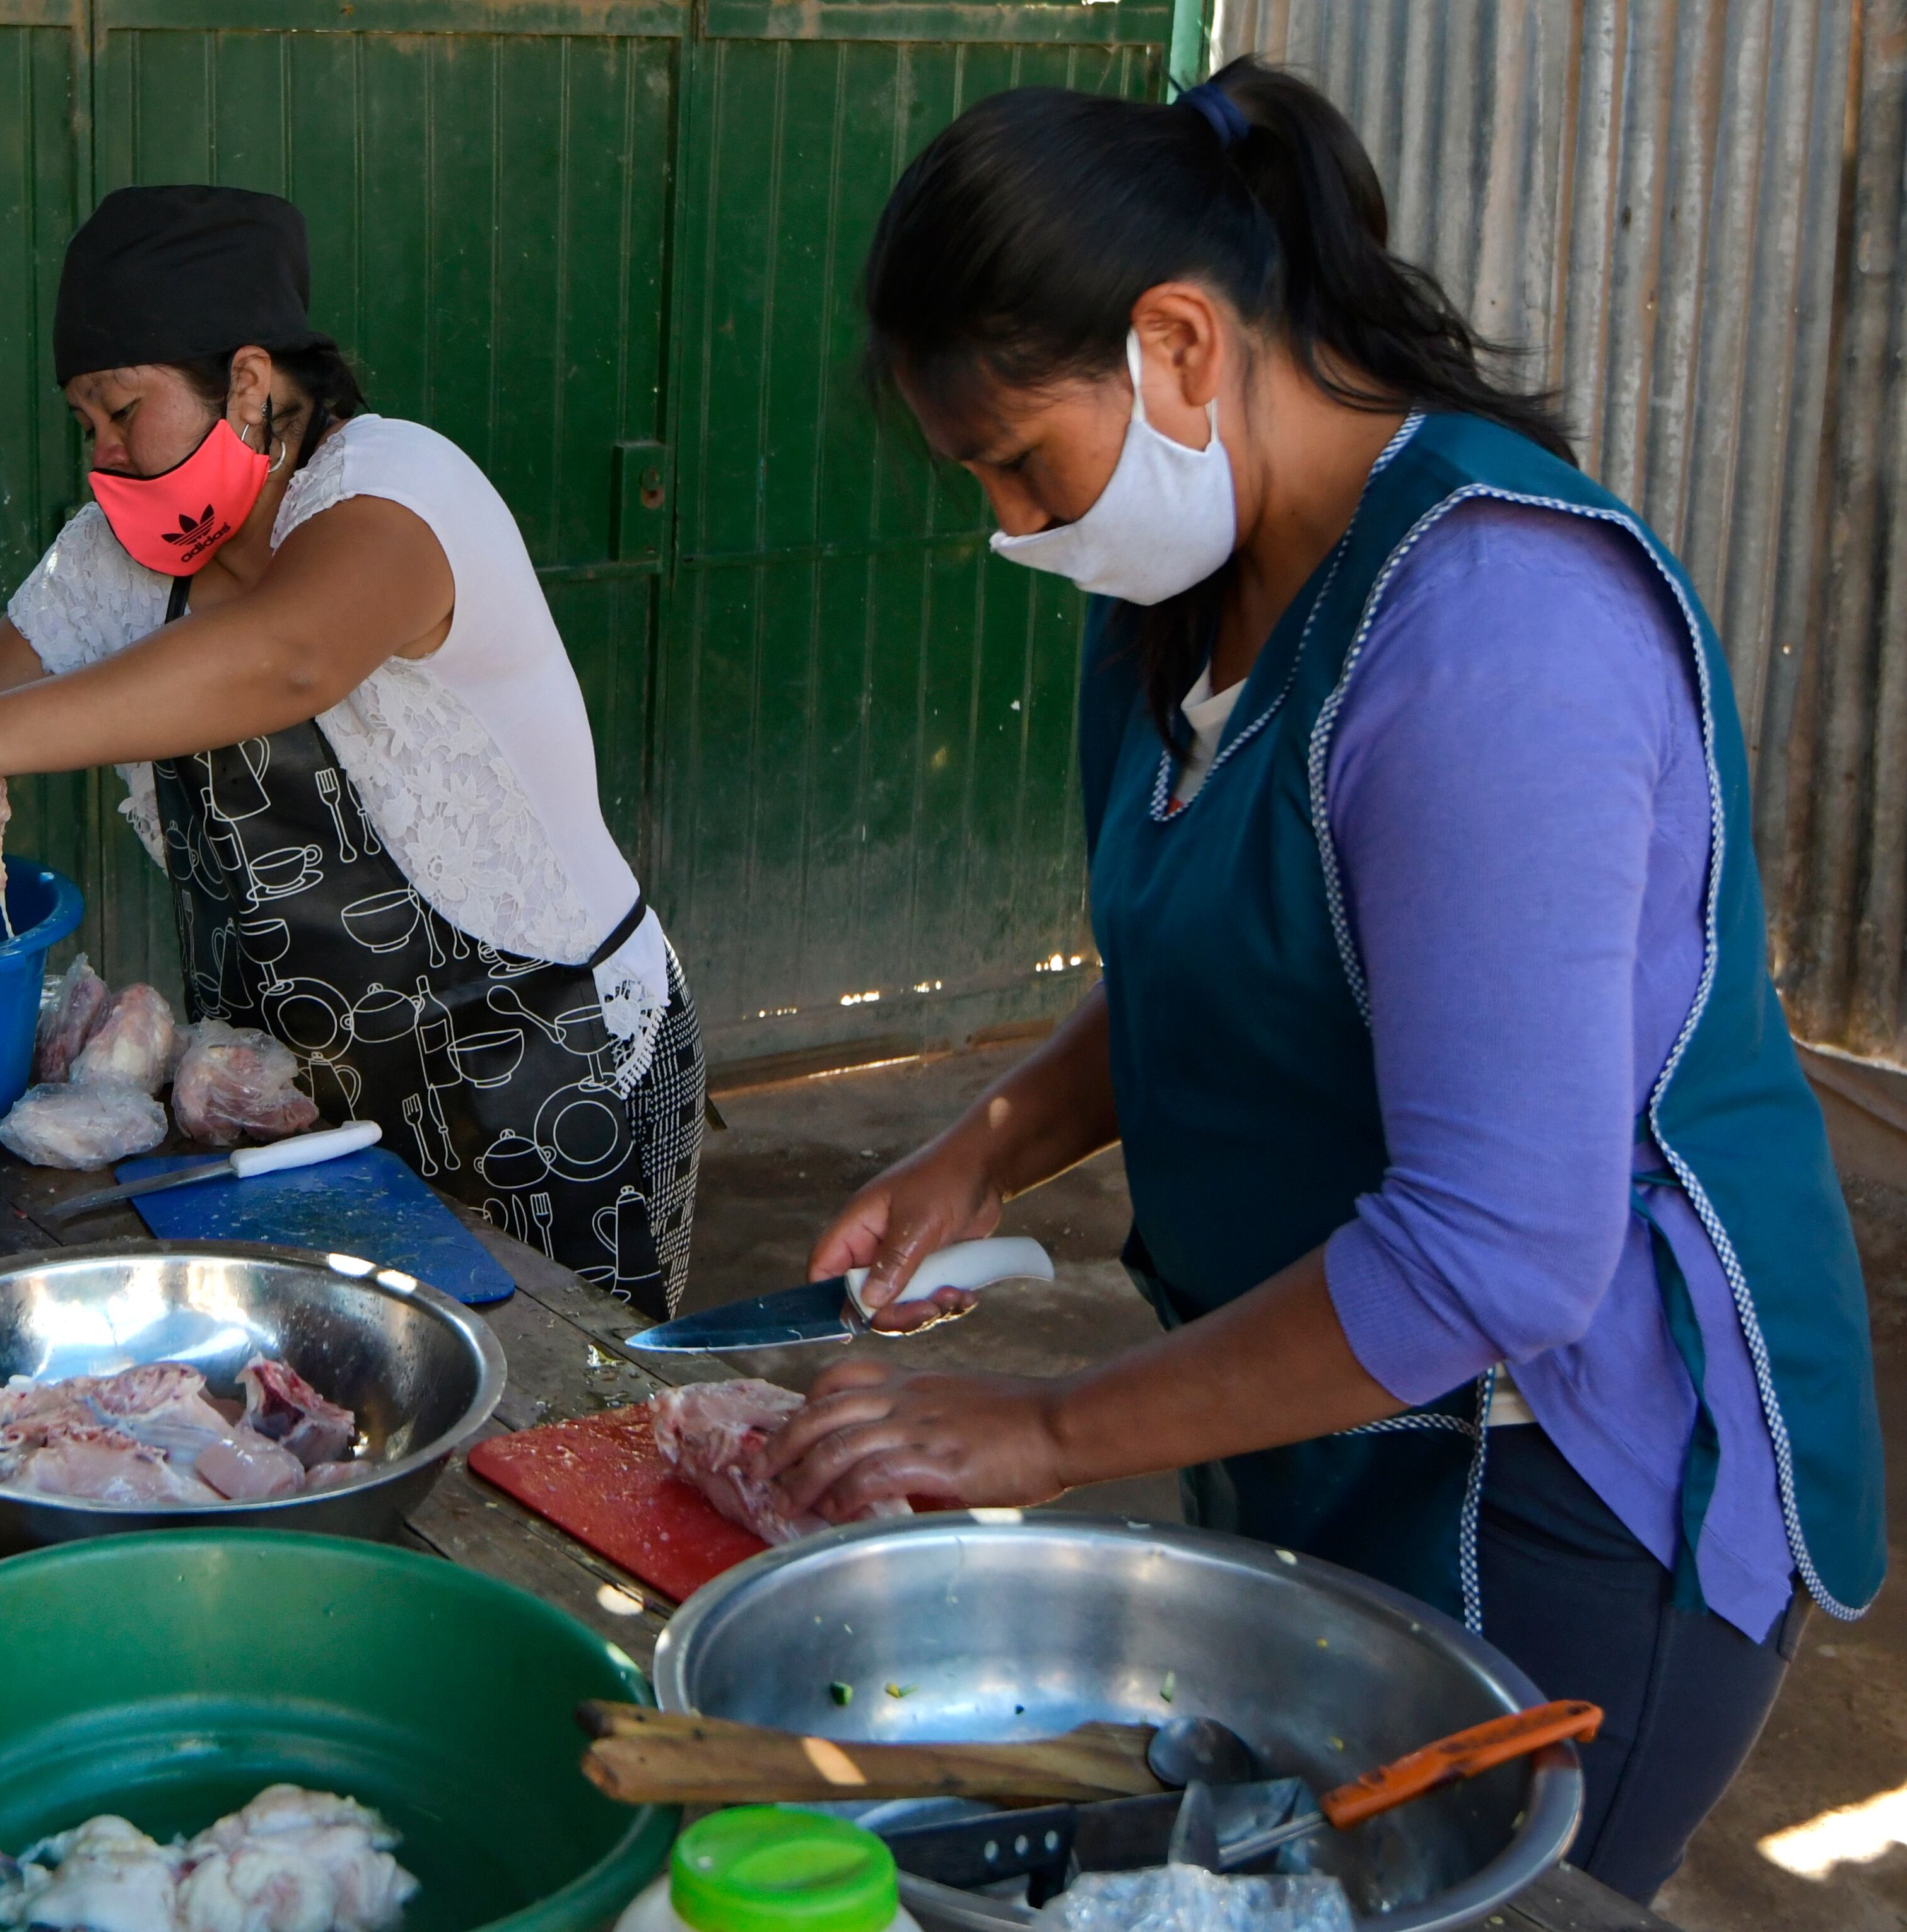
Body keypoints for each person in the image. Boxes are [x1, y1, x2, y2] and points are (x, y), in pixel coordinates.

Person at [761, 59, 1885, 1900]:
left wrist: (1047, 1432)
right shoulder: (1185, 607)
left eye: (1023, 465)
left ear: (1183, 346)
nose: (1015, 527)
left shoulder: (1490, 636)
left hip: (1564, 1483)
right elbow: (1235, 953)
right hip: (1330, 1413)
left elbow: (1501, 1249)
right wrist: (984, 1144)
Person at [0, 185, 707, 1314]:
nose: (103, 456)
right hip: (305, 1123)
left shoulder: (397, 490)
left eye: (123, 411)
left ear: (247, 383)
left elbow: (286, 658)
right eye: (84, 426)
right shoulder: (117, 560)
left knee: (567, 1422)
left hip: (557, 1072)